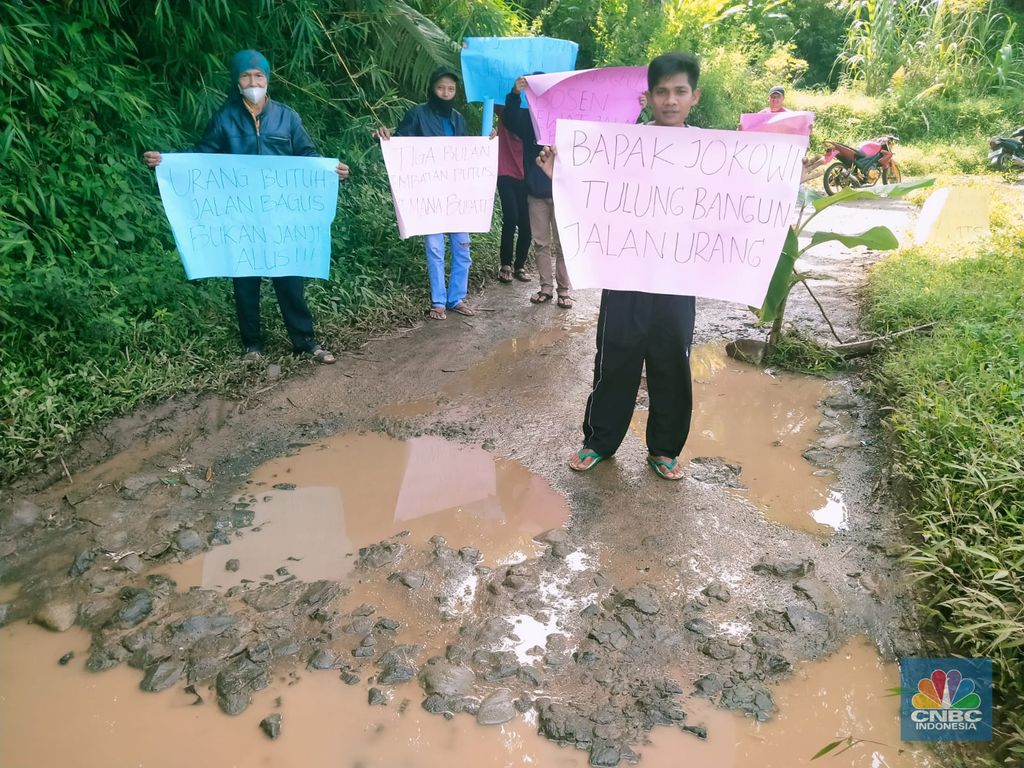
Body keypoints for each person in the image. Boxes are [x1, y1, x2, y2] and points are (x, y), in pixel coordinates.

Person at [537, 52, 701, 480]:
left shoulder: (711, 151)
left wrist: (782, 181)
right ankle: (599, 441)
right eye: (662, 92)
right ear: (647, 98)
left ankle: (664, 449)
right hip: (625, 273)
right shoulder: (622, 145)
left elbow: (742, 195)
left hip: (677, 277)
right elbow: (593, 194)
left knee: (672, 362)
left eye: (679, 91)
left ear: (694, 97)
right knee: (616, 358)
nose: (670, 100)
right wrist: (560, 174)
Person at [143, 50, 348, 364]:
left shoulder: (287, 117)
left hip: (281, 215)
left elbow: (307, 155)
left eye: (258, 76)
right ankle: (252, 346)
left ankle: (306, 342)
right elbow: (202, 159)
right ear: (236, 81)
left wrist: (332, 172)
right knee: (245, 281)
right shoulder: (224, 119)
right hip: (241, 217)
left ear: (268, 79)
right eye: (246, 76)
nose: (253, 82)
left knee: (290, 280)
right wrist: (166, 163)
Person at [375, 67, 475, 321]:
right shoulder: (417, 114)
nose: (445, 93)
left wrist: (488, 145)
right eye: (441, 87)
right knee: (435, 247)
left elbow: (467, 153)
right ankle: (438, 301)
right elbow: (401, 146)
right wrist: (385, 138)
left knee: (463, 246)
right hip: (429, 193)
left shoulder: (458, 119)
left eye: (451, 89)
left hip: (456, 194)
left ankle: (457, 298)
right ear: (432, 88)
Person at [502, 75, 574, 309]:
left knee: (564, 245)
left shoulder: (568, 120)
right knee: (541, 242)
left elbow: (601, 124)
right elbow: (509, 119)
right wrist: (515, 94)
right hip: (535, 193)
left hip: (564, 193)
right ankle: (546, 288)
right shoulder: (527, 120)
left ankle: (564, 290)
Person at [493, 105, 533, 285]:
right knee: (511, 217)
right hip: (505, 172)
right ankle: (506, 264)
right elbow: (492, 97)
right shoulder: (506, 111)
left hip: (528, 176)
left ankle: (520, 266)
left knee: (527, 223)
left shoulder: (535, 119)